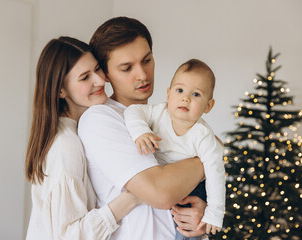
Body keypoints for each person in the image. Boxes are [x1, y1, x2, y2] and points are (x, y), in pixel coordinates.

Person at [78, 17, 209, 240]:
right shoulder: (100, 118)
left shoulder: (163, 116)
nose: (142, 75)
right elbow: (161, 193)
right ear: (106, 75)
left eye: (146, 60)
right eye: (127, 68)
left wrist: (199, 213)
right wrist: (211, 154)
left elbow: (179, 189)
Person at [25, 36, 142, 240]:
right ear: (61, 90)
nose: (100, 80)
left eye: (97, 69)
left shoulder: (80, 130)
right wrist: (136, 194)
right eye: (85, 77)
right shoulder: (65, 146)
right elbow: (70, 235)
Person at [124, 59, 226, 239]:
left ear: (208, 106)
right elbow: (133, 111)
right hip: (161, 179)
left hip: (192, 188)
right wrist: (141, 132)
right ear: (169, 94)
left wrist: (215, 213)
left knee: (186, 230)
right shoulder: (159, 112)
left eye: (196, 94)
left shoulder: (203, 136)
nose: (185, 98)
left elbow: (216, 175)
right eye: (180, 90)